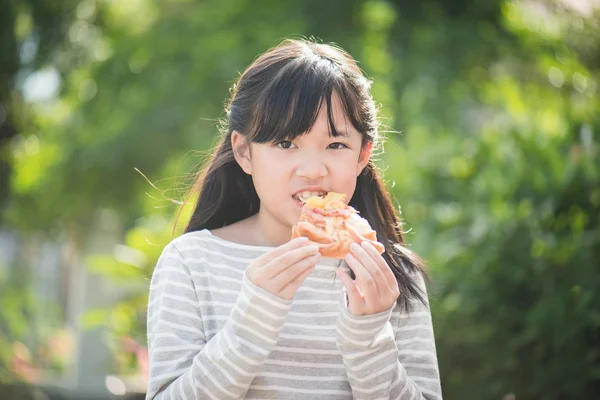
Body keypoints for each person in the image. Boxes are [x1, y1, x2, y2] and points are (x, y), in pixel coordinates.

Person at [146, 38, 443, 400]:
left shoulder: (388, 276)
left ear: (362, 155)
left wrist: (368, 336)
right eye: (286, 144)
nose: (313, 170)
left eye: (336, 145)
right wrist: (253, 319)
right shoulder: (191, 262)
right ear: (244, 152)